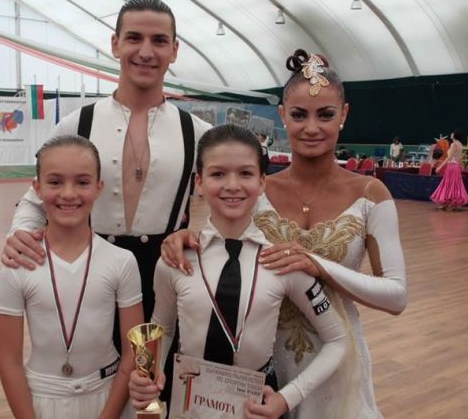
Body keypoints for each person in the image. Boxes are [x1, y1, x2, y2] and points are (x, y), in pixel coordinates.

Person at [161, 49, 407, 418]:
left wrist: (317, 265)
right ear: (282, 115)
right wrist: (184, 238)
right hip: (262, 363)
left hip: (336, 357)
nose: (312, 127)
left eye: (325, 114)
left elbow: (397, 296)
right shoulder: (258, 189)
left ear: (344, 114)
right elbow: (226, 242)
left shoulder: (371, 194)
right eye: (299, 114)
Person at [0, 0, 211, 325]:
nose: (145, 52)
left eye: (159, 40)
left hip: (167, 279)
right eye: (134, 38)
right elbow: (34, 201)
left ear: (174, 50)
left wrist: (201, 236)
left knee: (159, 358)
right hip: (86, 274)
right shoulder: (76, 124)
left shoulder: (198, 133)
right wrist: (21, 234)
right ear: (115, 44)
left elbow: (244, 202)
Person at [128, 124, 348, 419]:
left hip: (256, 410)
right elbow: (162, 328)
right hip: (187, 405)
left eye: (245, 173)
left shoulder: (282, 263)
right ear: (199, 182)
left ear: (262, 181)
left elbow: (338, 340)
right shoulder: (175, 260)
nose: (232, 185)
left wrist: (286, 398)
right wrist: (147, 374)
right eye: (218, 174)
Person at [0, 135, 144, 418]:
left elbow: (132, 354)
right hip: (41, 400)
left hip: (109, 398)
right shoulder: (18, 264)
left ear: (99, 187)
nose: (68, 193)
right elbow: (9, 362)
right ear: (37, 188)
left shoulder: (122, 261)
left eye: (82, 182)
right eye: (55, 182)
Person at [430, 129, 468, 210]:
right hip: (456, 167)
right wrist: (461, 165)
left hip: (451, 167)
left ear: (455, 135)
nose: (451, 134)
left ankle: (448, 203)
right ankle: (449, 203)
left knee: (449, 184)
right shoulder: (460, 144)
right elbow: (459, 158)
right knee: (454, 185)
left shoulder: (453, 144)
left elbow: (449, 158)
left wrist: (440, 167)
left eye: (452, 133)